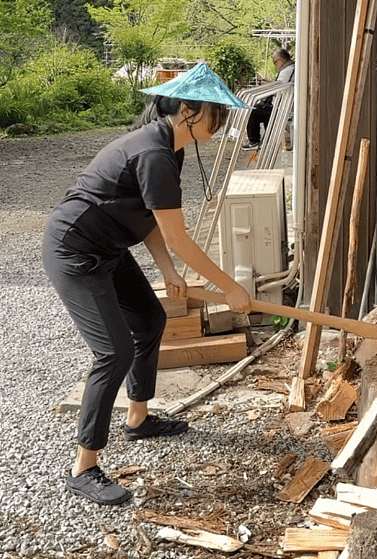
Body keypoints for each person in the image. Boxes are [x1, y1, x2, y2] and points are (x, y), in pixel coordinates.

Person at [42, 63, 251, 506]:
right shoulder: (154, 153)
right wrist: (230, 287)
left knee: (150, 319)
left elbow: (154, 223)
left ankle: (138, 420)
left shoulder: (169, 147)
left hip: (109, 248)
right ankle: (84, 467)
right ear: (190, 111)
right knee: (112, 351)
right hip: (75, 251)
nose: (223, 123)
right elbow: (178, 237)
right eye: (218, 113)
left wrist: (169, 272)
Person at [242, 47, 295, 150]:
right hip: (278, 106)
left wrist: (270, 85)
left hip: (281, 107)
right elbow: (282, 86)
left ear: (280, 60)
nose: (275, 65)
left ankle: (254, 140)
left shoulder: (288, 70)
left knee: (253, 110)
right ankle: (265, 141)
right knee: (260, 109)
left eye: (275, 62)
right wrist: (271, 84)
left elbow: (283, 90)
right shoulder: (289, 69)